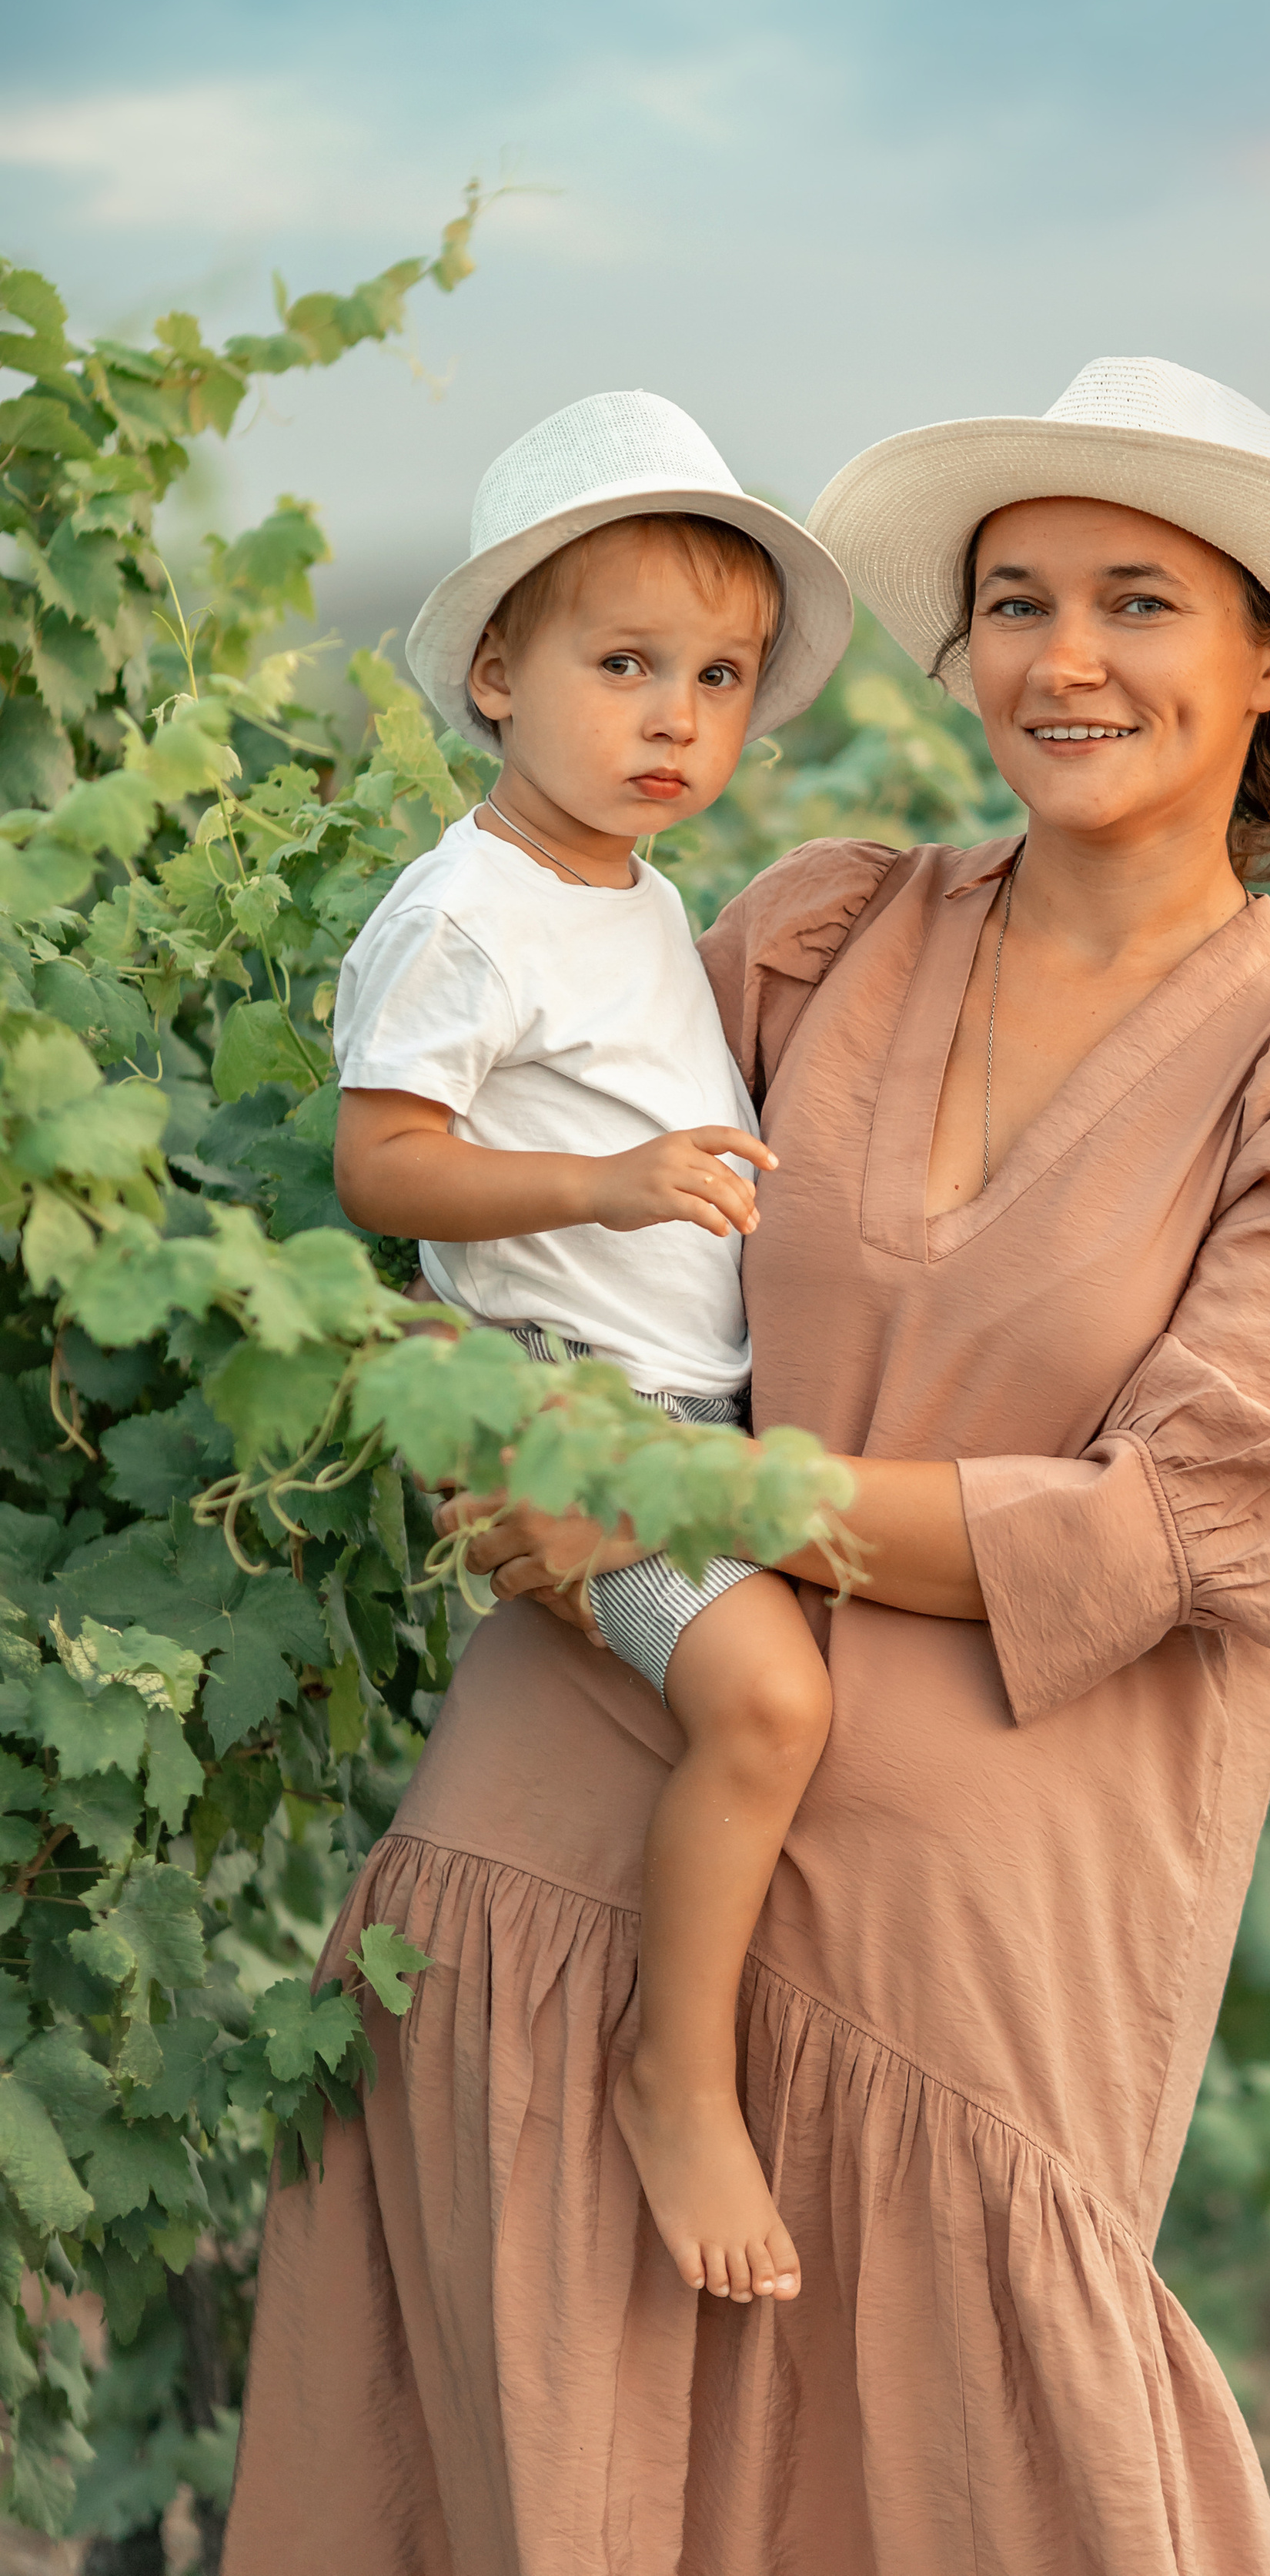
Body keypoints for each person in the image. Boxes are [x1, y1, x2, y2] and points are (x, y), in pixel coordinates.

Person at [224, 356, 1270, 2576]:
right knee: (527, 2452)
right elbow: (576, 1249)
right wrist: (540, 1467)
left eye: (1140, 602)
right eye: (1016, 601)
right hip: (562, 1816)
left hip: (959, 1938)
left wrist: (701, 1509)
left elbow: (1206, 1532)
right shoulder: (820, 931)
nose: (1064, 659)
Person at [329, 387, 852, 2307]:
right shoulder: (465, 916)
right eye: (623, 664)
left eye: (717, 679)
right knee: (772, 1707)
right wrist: (616, 1183)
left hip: (671, 1407)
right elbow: (382, 1165)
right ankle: (671, 2075)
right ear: (494, 669)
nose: (675, 720)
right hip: (569, 1422)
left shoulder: (628, 894)